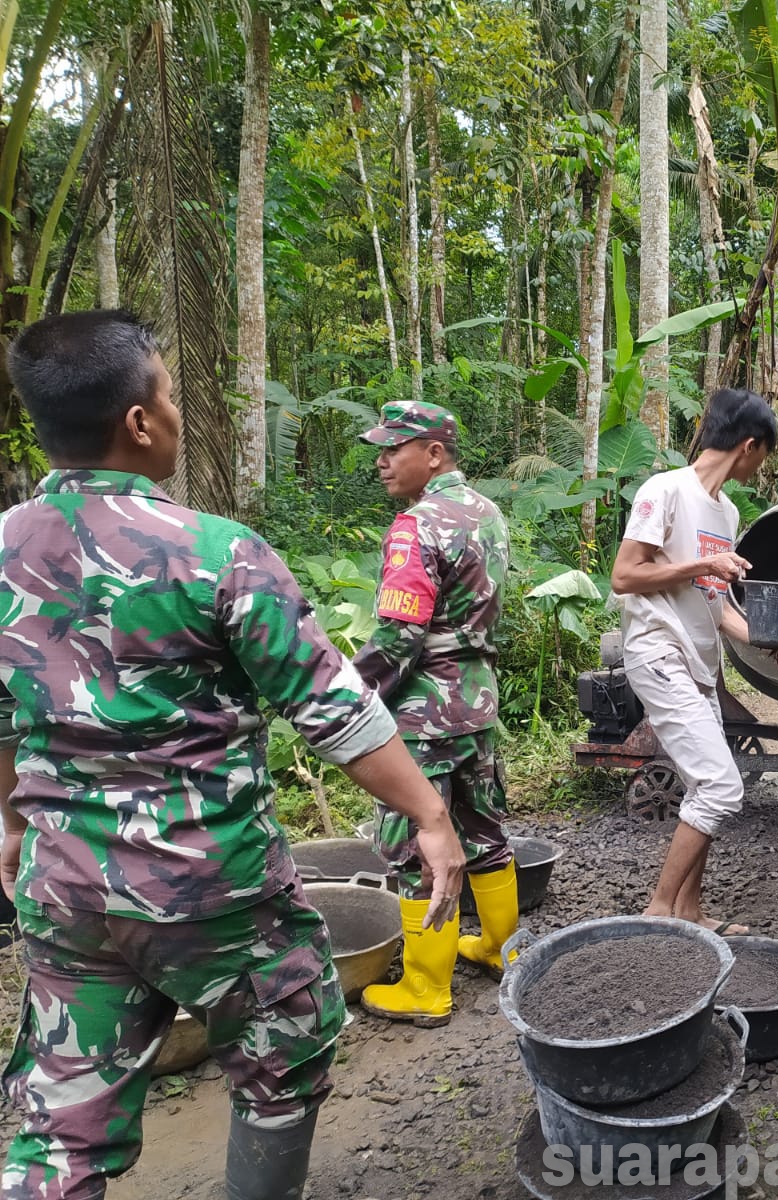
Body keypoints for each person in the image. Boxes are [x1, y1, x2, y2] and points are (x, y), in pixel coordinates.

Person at [0, 310, 465, 1200]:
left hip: (65, 882)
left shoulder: (3, 549)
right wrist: (428, 813)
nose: (176, 411)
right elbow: (333, 712)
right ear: (138, 421)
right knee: (286, 1046)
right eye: (169, 393)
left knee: (62, 1127)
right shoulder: (216, 554)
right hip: (208, 886)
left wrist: (14, 824)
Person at [352, 401, 514, 1025]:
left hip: (422, 712)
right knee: (482, 828)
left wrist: (351, 694)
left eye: (395, 448)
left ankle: (425, 987)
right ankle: (499, 947)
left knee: (417, 843)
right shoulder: (487, 513)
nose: (382, 459)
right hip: (478, 696)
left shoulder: (416, 526)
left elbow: (398, 637)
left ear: (435, 454)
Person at [611, 388, 778, 935]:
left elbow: (716, 604)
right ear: (749, 446)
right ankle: (659, 911)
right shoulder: (666, 490)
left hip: (701, 663)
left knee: (701, 785)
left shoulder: (726, 511)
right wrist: (702, 560)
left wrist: (773, 644)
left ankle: (690, 910)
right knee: (722, 787)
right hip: (658, 651)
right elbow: (625, 575)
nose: (762, 466)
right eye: (764, 455)